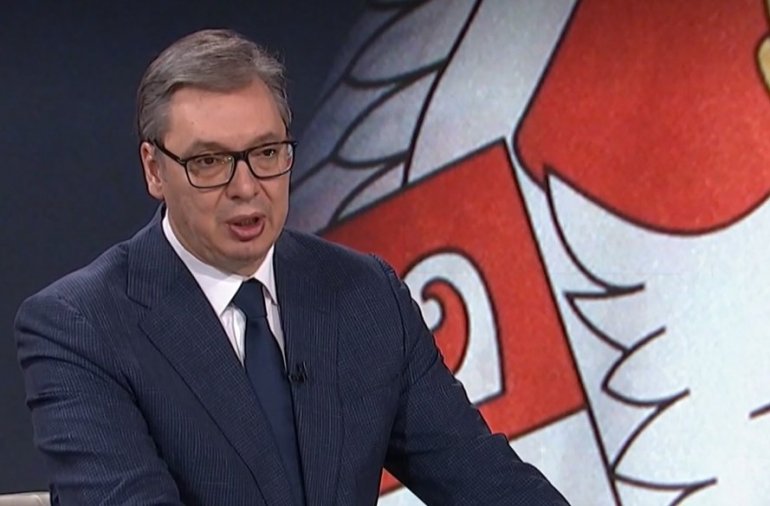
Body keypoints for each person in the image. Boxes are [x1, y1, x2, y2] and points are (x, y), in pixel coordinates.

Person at [14, 29, 570, 506]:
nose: (246, 187)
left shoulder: (366, 295)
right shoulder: (80, 328)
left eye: (266, 153)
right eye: (209, 161)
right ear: (154, 170)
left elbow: (484, 481)